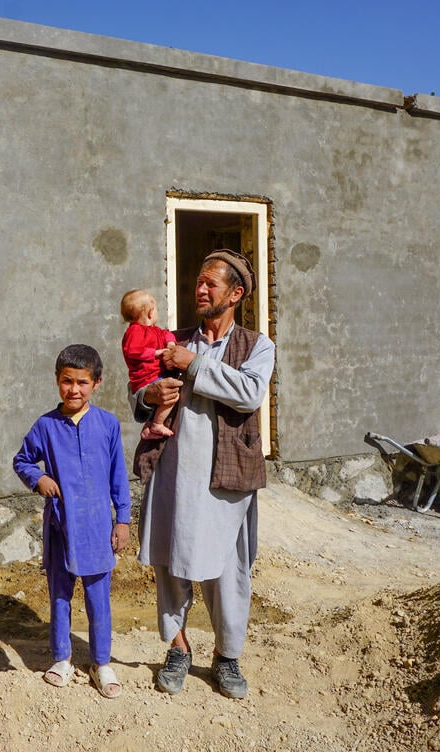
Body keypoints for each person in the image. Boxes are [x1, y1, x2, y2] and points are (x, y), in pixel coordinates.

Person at [131, 249, 275, 700]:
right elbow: (138, 390)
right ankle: (178, 648)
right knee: (167, 561)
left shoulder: (256, 346)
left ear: (235, 294)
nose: (201, 289)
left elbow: (249, 393)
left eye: (211, 283)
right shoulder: (170, 338)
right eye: (198, 281)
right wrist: (149, 392)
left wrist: (191, 363)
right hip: (171, 472)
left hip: (226, 479)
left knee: (228, 568)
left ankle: (227, 657)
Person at [12, 344, 131, 698]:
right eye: (67, 381)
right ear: (57, 381)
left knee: (99, 598)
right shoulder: (46, 426)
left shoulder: (108, 424)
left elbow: (118, 476)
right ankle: (62, 658)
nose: (74, 390)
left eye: (82, 382)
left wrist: (122, 519)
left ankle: (100, 662)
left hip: (97, 527)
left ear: (97, 382)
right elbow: (23, 460)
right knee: (60, 595)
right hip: (61, 527)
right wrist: (39, 479)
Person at [119, 289, 178, 439]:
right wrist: (155, 353)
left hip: (156, 374)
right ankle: (157, 424)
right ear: (151, 312)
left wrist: (171, 343)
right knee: (172, 395)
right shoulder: (134, 331)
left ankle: (148, 427)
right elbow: (133, 351)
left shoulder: (155, 330)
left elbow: (167, 334)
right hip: (146, 378)